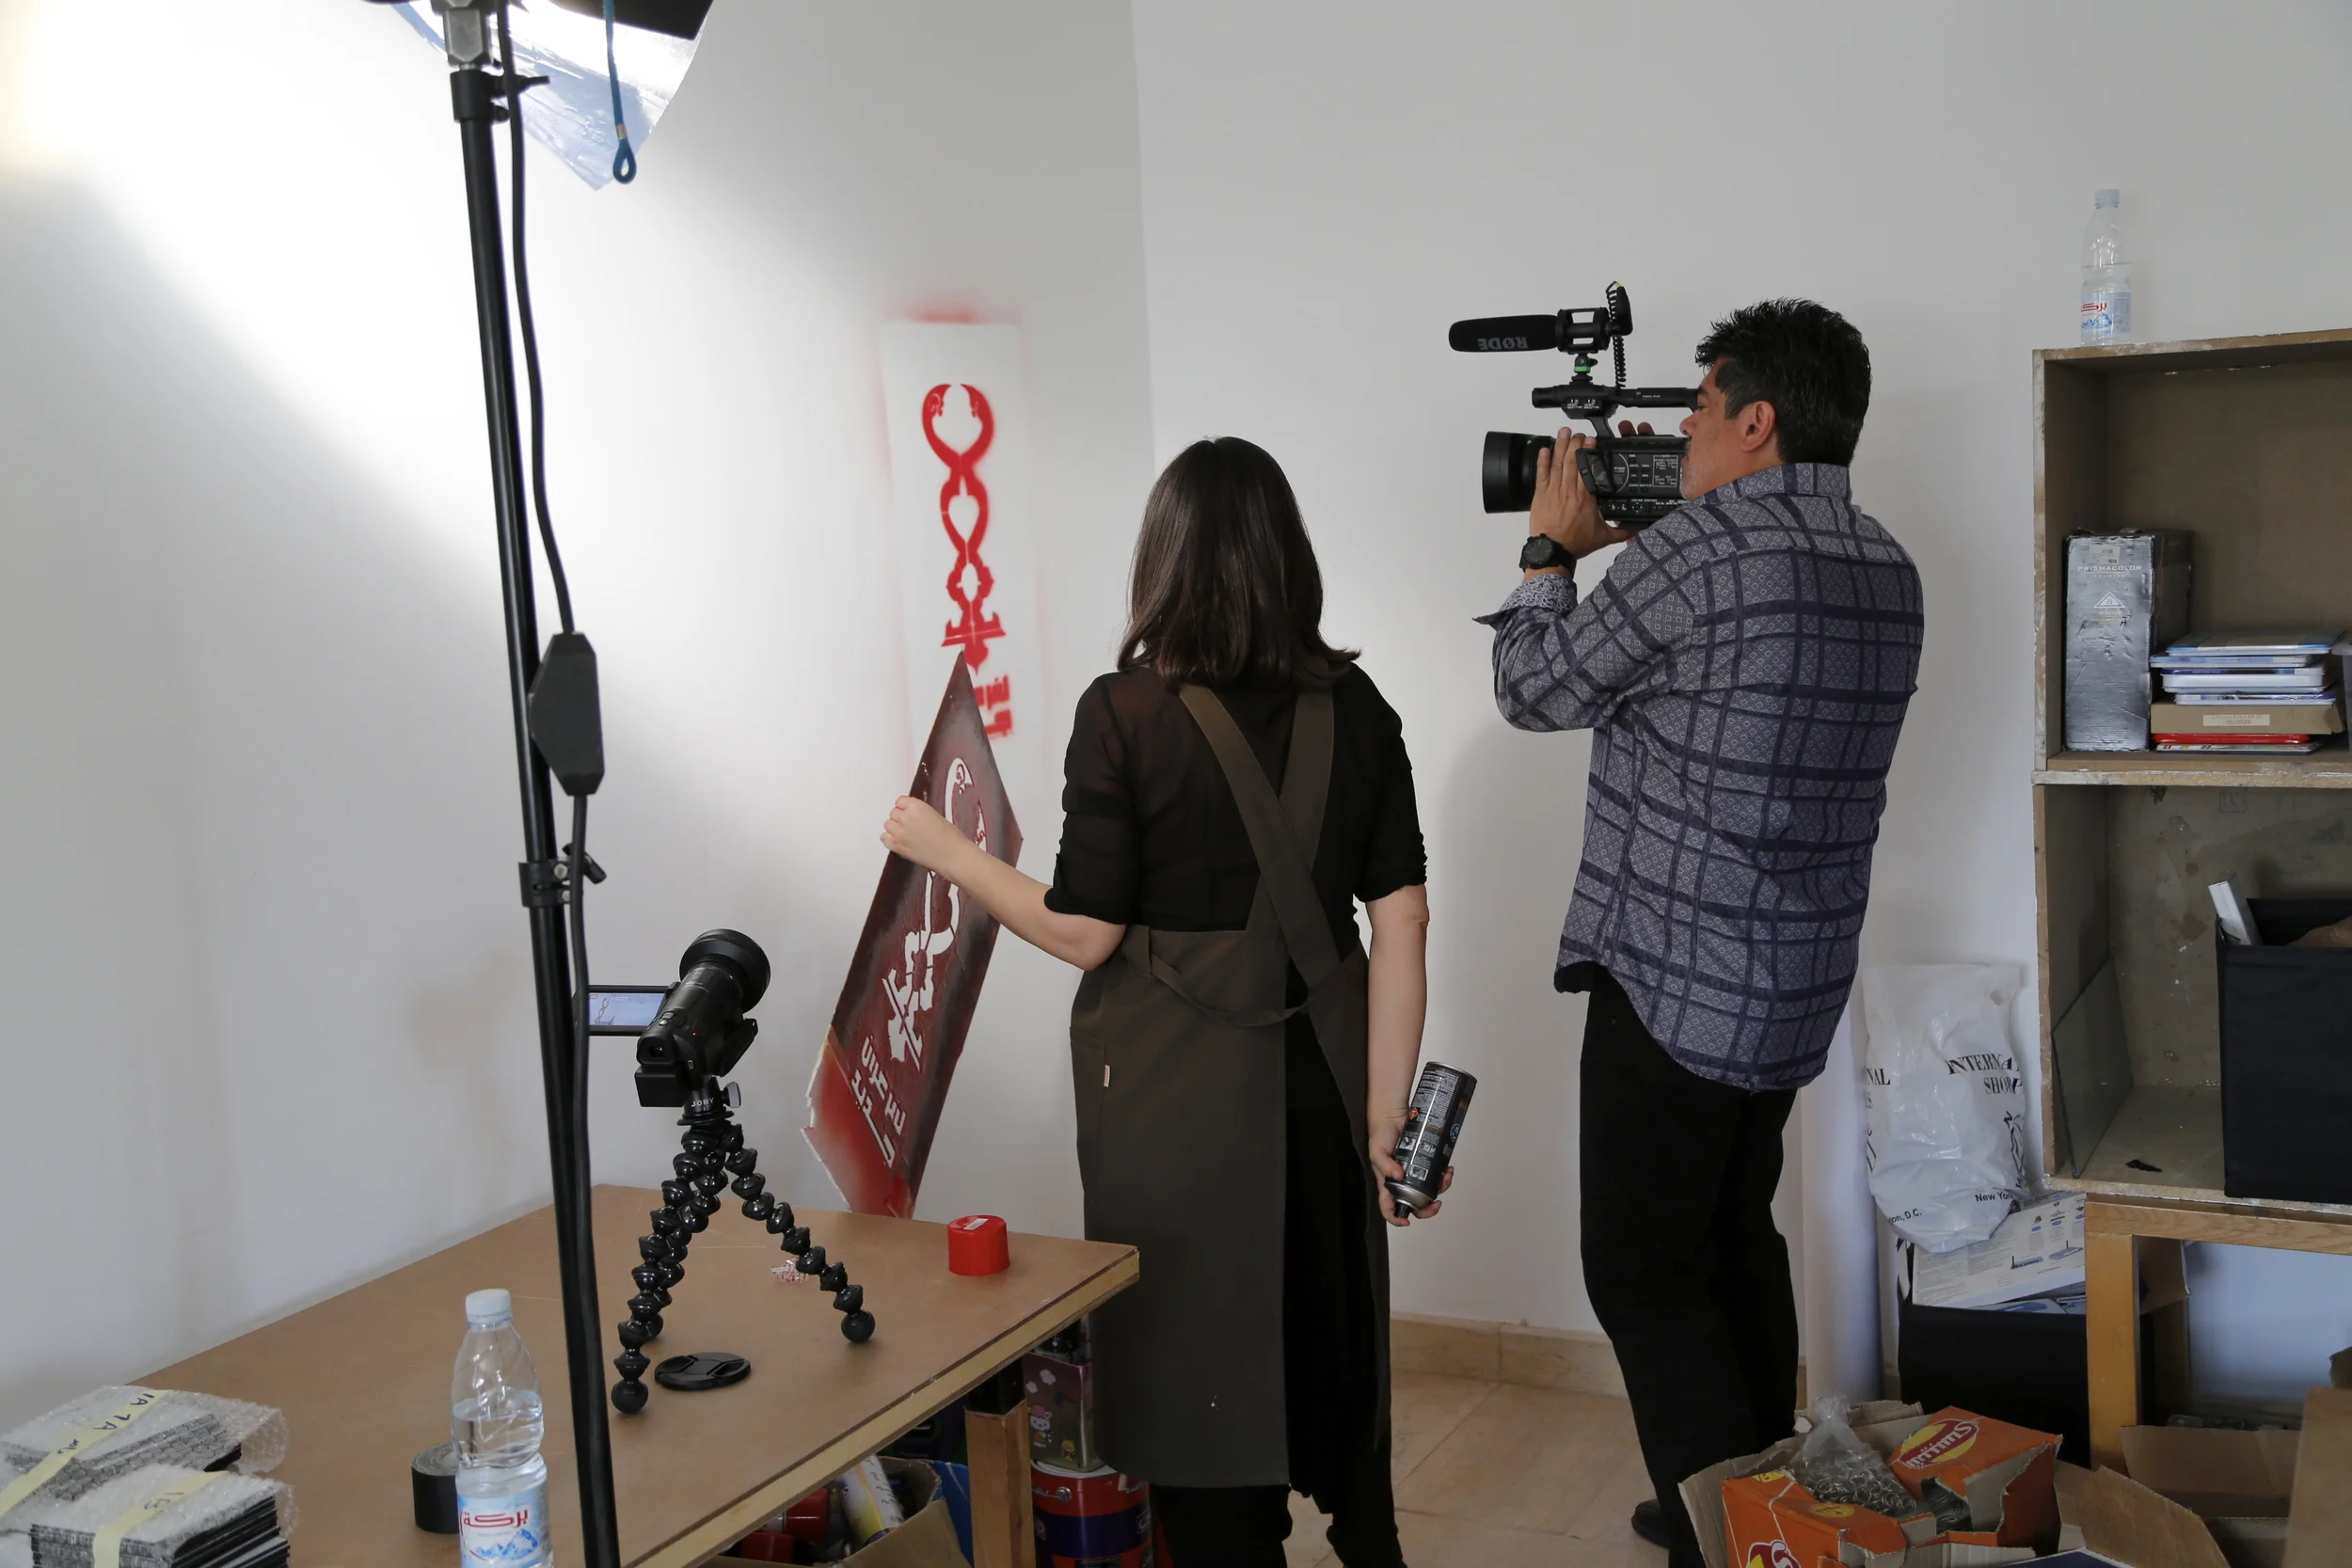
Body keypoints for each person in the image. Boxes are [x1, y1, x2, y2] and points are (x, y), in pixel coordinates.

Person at [882, 436, 1438, 1568]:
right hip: (1326, 1094)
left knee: (1200, 1380)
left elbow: (1083, 929)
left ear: (1165, 561)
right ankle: (1366, 1530)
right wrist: (1386, 1118)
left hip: (1177, 1116)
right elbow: (1404, 918)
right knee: (1335, 1355)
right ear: (1289, 558)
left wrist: (947, 848)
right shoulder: (1359, 703)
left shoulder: (1124, 713)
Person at [1478, 299, 1922, 1567]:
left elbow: (1532, 686)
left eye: (1699, 411)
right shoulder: (1886, 558)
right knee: (1731, 1232)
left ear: (1756, 418)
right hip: (1792, 984)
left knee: (1640, 1262)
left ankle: (1722, 1540)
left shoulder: (1706, 555)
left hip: (1672, 979)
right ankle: (1745, 1500)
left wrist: (1552, 550)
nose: (1682, 439)